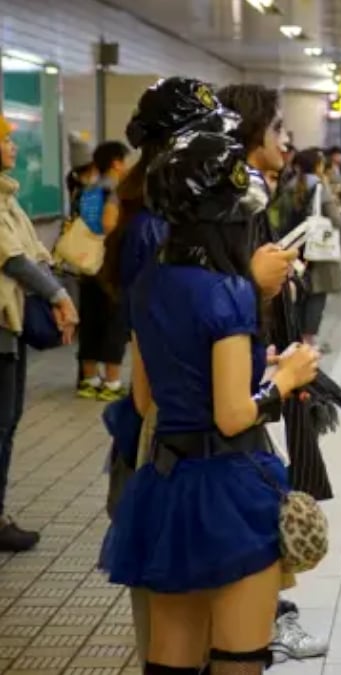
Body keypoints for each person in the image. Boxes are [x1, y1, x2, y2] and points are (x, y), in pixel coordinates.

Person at [105, 130, 321, 675]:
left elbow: (146, 393)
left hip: (165, 483)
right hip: (228, 490)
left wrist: (249, 367)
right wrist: (284, 378)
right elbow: (231, 415)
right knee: (238, 658)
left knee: (171, 661)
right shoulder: (227, 294)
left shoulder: (149, 283)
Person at [217, 82, 331, 662]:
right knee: (258, 495)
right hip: (237, 375)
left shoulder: (247, 202)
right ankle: (259, 626)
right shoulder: (232, 209)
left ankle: (262, 621)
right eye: (278, 128)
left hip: (251, 359)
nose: (287, 140)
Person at [0, 117, 79, 552]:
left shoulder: (9, 198)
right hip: (0, 322)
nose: (13, 146)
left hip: (10, 323)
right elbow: (12, 257)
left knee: (7, 422)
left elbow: (34, 252)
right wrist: (59, 296)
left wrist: (54, 295)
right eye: (5, 140)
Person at [76, 141, 130, 401]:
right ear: (117, 162)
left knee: (90, 321)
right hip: (107, 264)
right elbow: (109, 223)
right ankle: (111, 382)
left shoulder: (88, 189)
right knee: (114, 321)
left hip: (85, 262)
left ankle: (89, 379)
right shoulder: (113, 189)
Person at [279, 148, 341, 351]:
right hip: (317, 250)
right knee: (316, 295)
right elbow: (336, 220)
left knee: (298, 294)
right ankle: (308, 341)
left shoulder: (289, 186)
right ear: (317, 165)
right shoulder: (319, 187)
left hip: (295, 248)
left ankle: (297, 339)